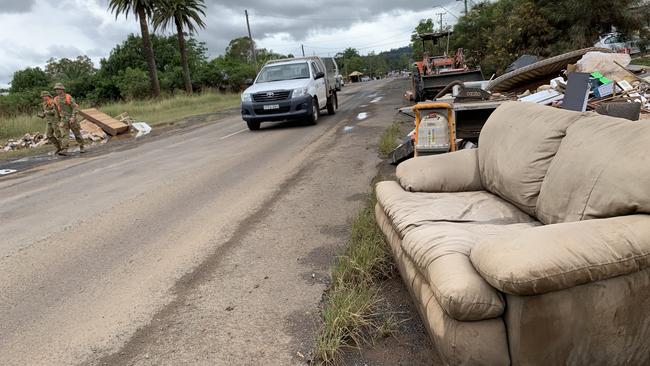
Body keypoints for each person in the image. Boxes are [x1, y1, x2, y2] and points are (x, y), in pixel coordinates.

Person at [53, 83, 85, 153]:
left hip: (72, 119)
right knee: (64, 135)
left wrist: (73, 117)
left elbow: (75, 107)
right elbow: (56, 111)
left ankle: (82, 146)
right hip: (63, 119)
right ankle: (65, 149)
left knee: (77, 133)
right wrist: (58, 121)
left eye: (58, 89)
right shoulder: (56, 99)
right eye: (55, 89)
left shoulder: (68, 97)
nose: (56, 90)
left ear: (62, 89)